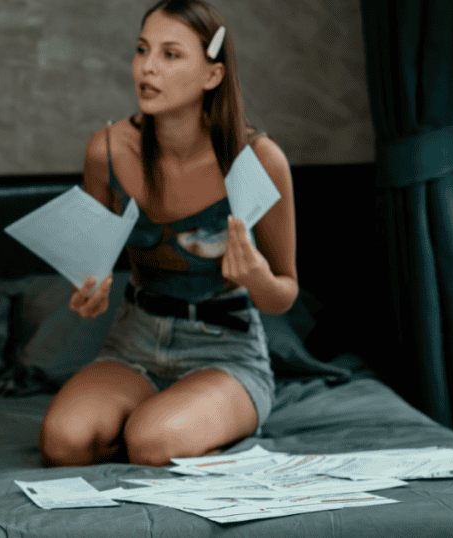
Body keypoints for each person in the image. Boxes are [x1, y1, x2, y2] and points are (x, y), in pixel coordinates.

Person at [39, 0, 297, 468]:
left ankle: (189, 421)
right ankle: (170, 420)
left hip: (227, 349)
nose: (147, 68)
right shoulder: (109, 151)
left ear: (212, 76)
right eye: (142, 50)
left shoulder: (256, 160)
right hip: (134, 340)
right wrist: (88, 290)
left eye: (170, 55)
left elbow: (284, 293)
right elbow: (92, 267)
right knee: (64, 444)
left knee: (150, 442)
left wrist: (257, 277)